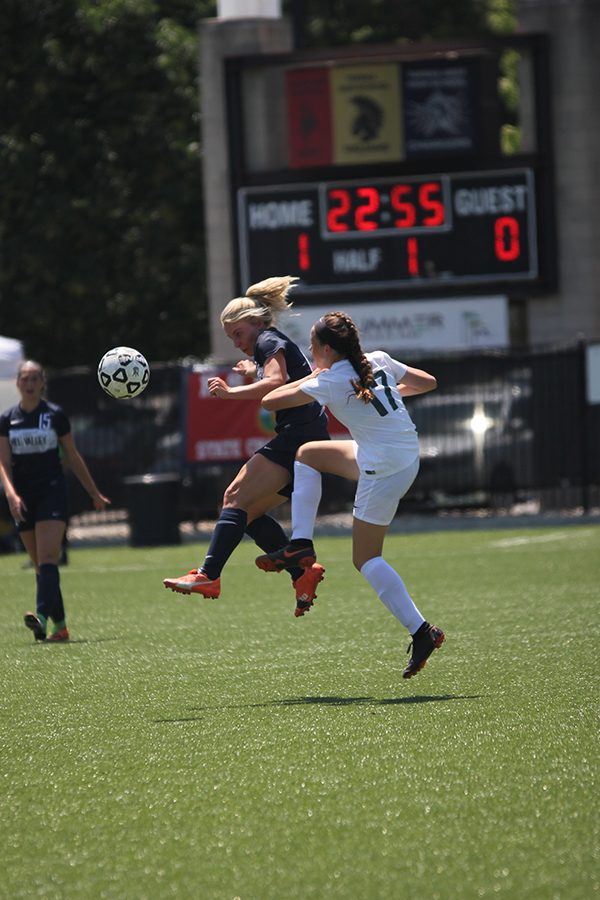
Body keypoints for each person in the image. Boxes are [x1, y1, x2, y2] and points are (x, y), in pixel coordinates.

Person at [255, 311, 445, 679]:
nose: (310, 353)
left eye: (312, 347)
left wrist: (313, 376)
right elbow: (428, 382)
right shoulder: (378, 360)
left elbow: (270, 401)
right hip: (403, 457)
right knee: (308, 454)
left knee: (366, 559)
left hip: (384, 470)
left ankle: (422, 632)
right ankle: (300, 544)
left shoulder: (328, 380)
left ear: (326, 349)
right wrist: (382, 394)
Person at [163, 276, 330, 616]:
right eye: (231, 337)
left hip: (299, 434)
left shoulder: (268, 339)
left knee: (233, 499)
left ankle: (208, 575)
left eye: (238, 333)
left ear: (257, 322)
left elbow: (276, 381)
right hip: (308, 435)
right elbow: (280, 376)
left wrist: (231, 391)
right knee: (247, 514)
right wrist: (252, 371)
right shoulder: (266, 343)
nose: (236, 342)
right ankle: (302, 574)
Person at [0, 360, 110, 642]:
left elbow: (72, 456)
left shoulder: (55, 415)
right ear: (17, 383)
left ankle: (41, 617)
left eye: (35, 378)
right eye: (25, 378)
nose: (29, 383)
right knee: (41, 566)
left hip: (52, 492)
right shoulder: (7, 419)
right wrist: (11, 495)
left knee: (49, 557)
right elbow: (3, 462)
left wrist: (93, 492)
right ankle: (60, 628)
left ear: (42, 383)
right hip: (22, 498)